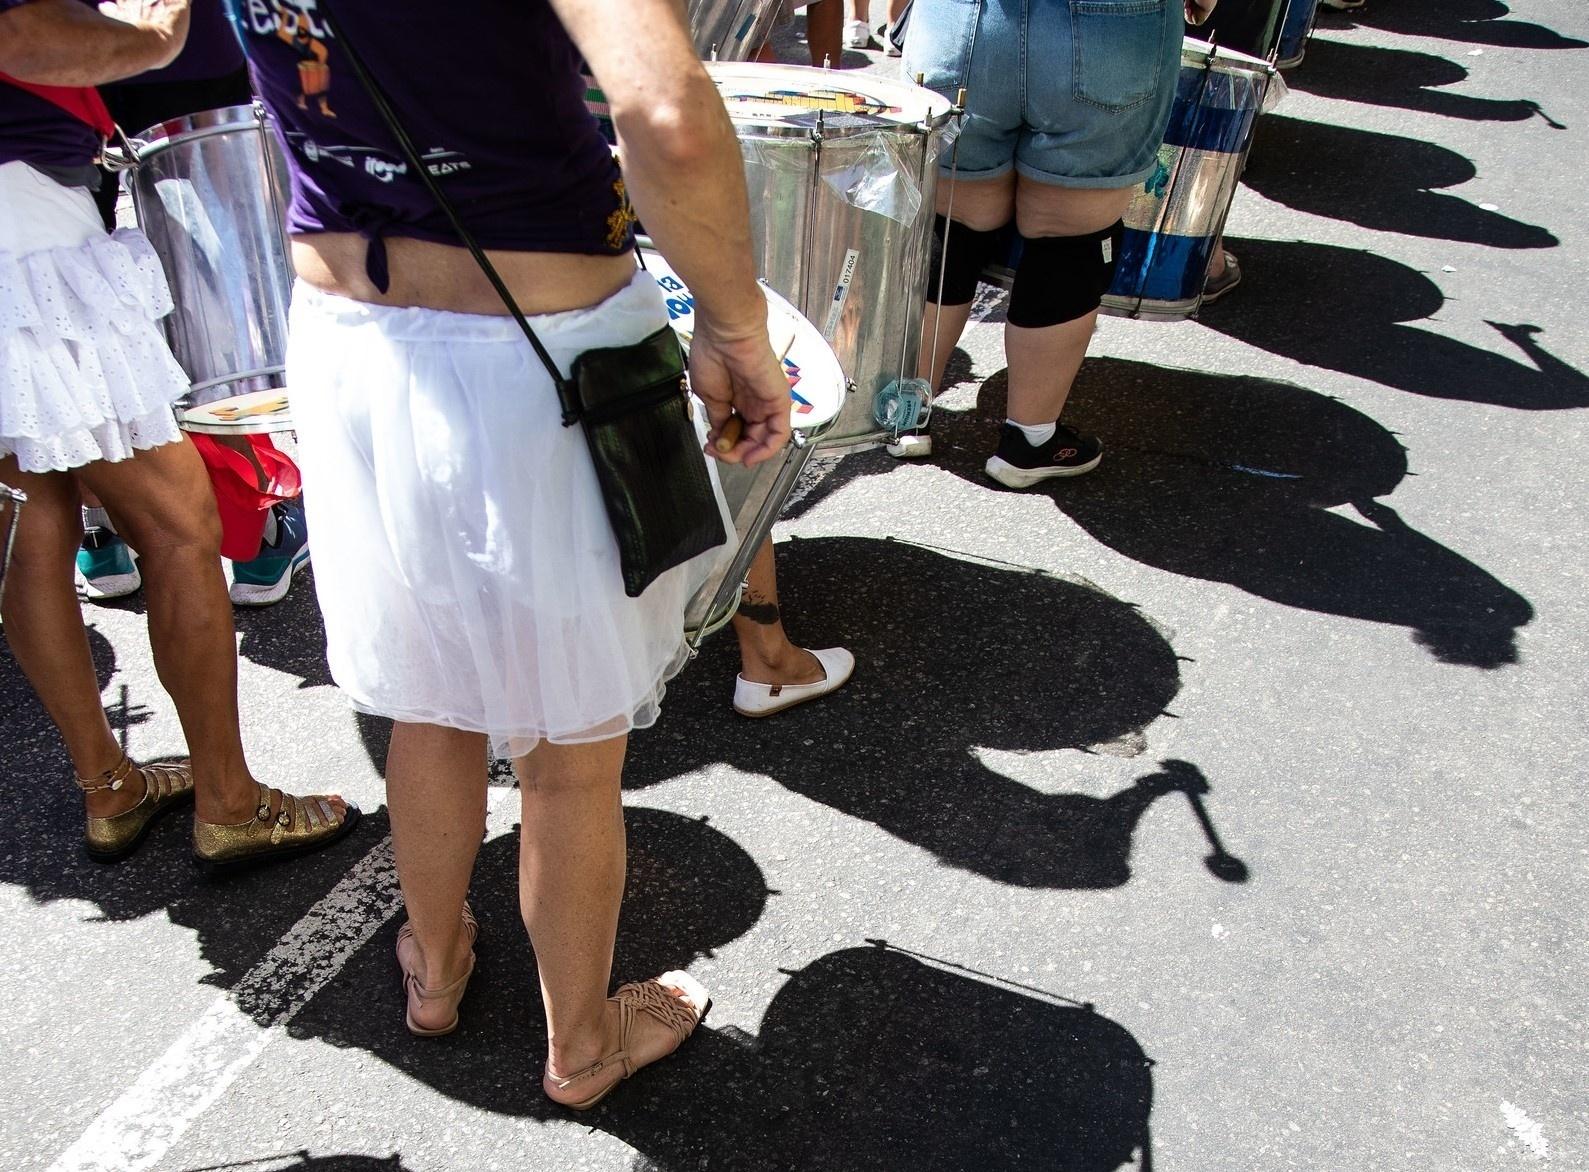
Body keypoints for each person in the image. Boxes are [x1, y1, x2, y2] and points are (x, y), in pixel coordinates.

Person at [231, 0, 794, 1107]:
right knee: (569, 753)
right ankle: (579, 1046)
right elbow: (667, 110)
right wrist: (734, 327)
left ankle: (434, 968)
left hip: (348, 331)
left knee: (429, 700)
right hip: (542, 352)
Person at [0, 0, 357, 870]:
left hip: (24, 215)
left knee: (30, 525)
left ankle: (110, 787)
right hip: (24, 227)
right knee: (177, 526)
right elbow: (17, 35)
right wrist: (153, 38)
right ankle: (230, 803)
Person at [906, 0, 1212, 487]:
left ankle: (903, 409)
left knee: (953, 218)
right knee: (1070, 233)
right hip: (1111, 29)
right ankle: (1030, 441)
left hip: (963, 21)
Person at [77, 0, 312, 607]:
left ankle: (102, 527)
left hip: (51, 53)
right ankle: (257, 533)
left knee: (66, 287)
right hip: (177, 39)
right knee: (216, 279)